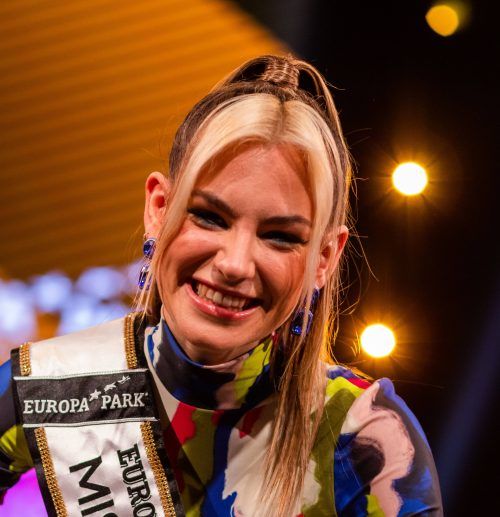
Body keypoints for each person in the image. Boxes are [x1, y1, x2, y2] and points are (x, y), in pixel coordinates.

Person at [0, 55, 442, 516]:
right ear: (158, 208)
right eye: (209, 217)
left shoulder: (365, 438)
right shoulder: (55, 384)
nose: (234, 264)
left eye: (280, 236)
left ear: (324, 259)